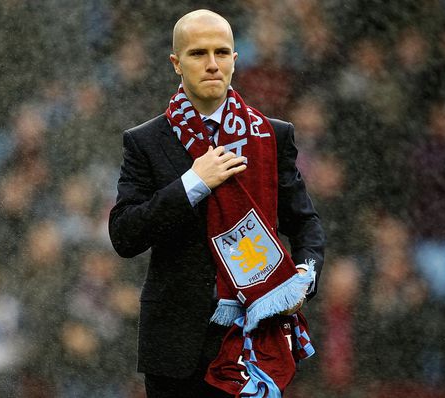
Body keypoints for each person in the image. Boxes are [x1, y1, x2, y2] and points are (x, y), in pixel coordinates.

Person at [109, 9, 325, 397]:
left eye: (222, 53)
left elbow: (305, 223)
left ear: (235, 59)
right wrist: (194, 182)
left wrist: (303, 282)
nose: (212, 64)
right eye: (198, 54)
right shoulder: (145, 141)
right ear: (176, 63)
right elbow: (125, 234)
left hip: (254, 334)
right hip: (176, 348)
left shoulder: (273, 136)